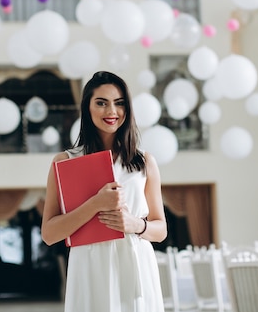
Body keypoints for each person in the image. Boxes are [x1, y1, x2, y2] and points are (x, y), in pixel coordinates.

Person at [41, 70, 167, 312]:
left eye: (119, 104)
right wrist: (95, 204)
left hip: (136, 264)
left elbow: (160, 230)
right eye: (101, 103)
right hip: (90, 267)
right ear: (87, 108)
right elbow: (49, 233)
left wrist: (135, 225)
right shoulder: (65, 162)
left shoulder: (144, 162)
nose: (112, 111)